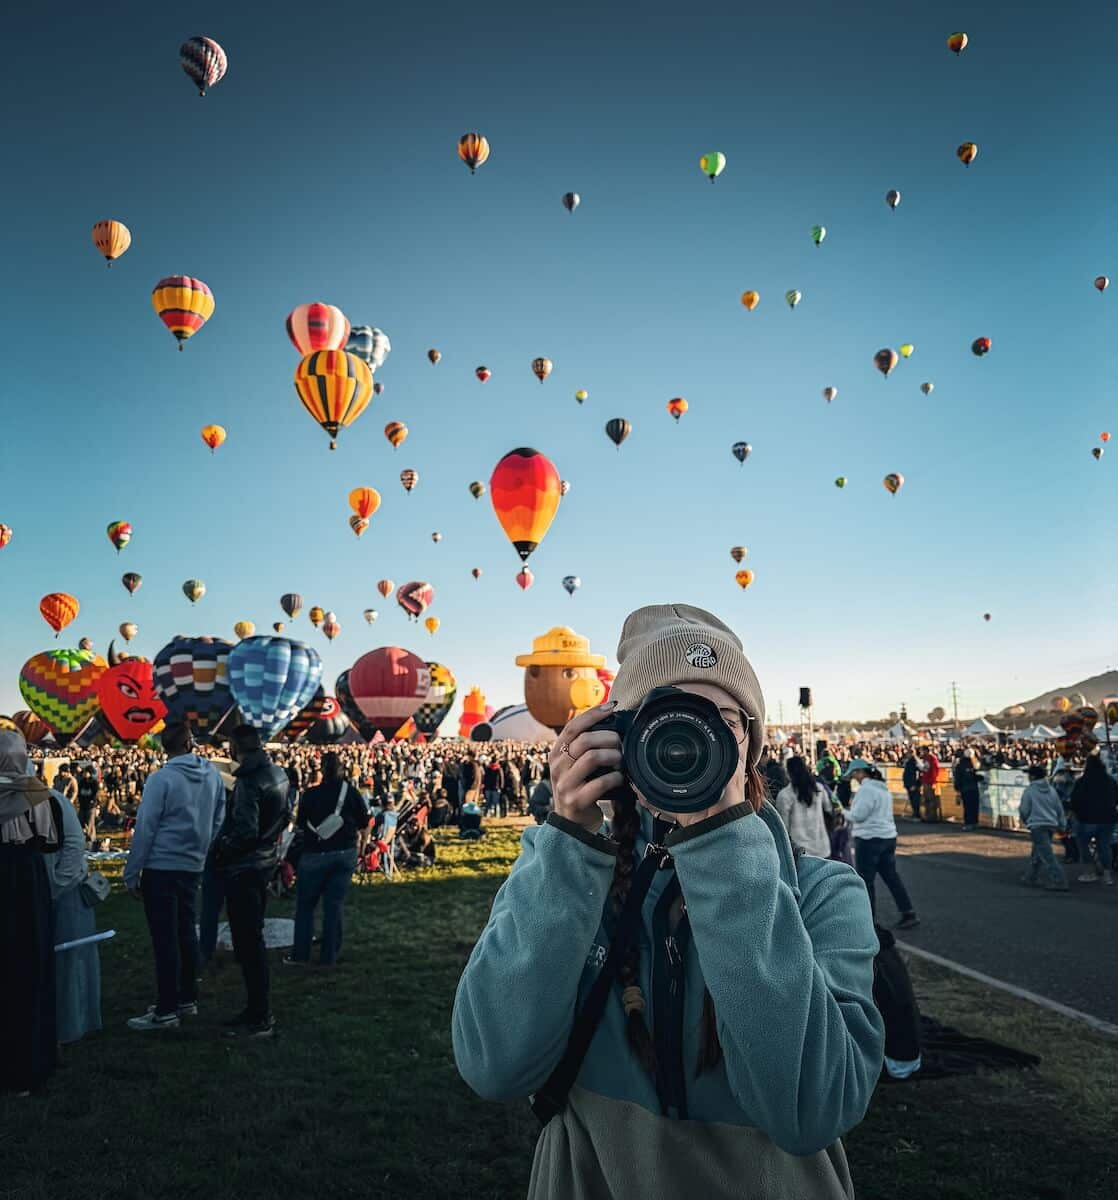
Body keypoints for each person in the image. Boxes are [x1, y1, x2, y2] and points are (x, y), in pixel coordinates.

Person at [453, 604, 883, 1199]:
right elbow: (492, 1064)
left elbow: (812, 1110)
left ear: (750, 748)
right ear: (614, 742)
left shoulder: (824, 895)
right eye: (663, 717)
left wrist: (725, 849)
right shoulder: (574, 882)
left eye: (717, 719)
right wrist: (569, 836)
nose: (685, 740)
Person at [124, 723, 226, 1031]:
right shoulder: (211, 775)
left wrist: (132, 871)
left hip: (162, 865)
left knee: (165, 937)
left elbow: (146, 827)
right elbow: (220, 816)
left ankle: (166, 1009)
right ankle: (186, 999)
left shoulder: (161, 779)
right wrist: (203, 847)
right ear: (190, 743)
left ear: (163, 747)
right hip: (192, 864)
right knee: (186, 932)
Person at [209, 726, 290, 1038]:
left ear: (233, 747)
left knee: (248, 943)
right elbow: (284, 815)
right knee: (252, 939)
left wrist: (219, 850)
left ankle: (259, 1014)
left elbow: (244, 831)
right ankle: (257, 1009)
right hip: (265, 861)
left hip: (245, 867)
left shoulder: (247, 781)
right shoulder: (278, 773)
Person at [0, 730, 63, 1095]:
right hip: (25, 885)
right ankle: (29, 1062)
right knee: (28, 965)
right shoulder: (36, 792)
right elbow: (51, 842)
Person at [285, 752, 368, 967]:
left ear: (321, 769)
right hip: (344, 853)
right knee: (334, 906)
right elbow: (364, 821)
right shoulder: (350, 792)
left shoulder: (310, 795)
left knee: (305, 906)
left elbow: (301, 823)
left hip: (315, 854)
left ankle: (301, 954)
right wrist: (361, 845)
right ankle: (329, 955)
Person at [45, 782, 102, 1044]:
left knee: (71, 963)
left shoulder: (54, 800)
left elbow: (73, 844)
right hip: (34, 896)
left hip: (65, 891)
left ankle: (73, 1024)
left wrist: (54, 885)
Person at [844, 758, 920, 929]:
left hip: (869, 838)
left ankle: (869, 921)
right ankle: (908, 911)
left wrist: (842, 812)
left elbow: (858, 816)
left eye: (854, 774)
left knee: (866, 881)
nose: (854, 777)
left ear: (861, 772)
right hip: (888, 836)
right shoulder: (882, 788)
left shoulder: (866, 790)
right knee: (891, 876)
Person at [1068, 753, 1118, 885]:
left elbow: (1075, 800)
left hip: (1087, 819)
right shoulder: (1110, 781)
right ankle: (1107, 875)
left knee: (1083, 844)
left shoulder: (1082, 781)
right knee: (1105, 846)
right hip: (1108, 818)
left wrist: (1077, 813)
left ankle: (1090, 872)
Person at [1018, 764, 1068, 891]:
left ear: (1033, 776)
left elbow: (1024, 809)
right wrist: (1062, 824)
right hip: (1050, 823)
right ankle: (1031, 876)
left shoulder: (1030, 790)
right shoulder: (1051, 790)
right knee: (1039, 851)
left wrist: (1026, 820)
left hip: (1037, 824)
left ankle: (1059, 880)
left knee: (1046, 854)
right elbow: (1059, 808)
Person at [773, 755, 832, 858]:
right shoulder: (818, 789)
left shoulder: (785, 795)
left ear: (788, 773)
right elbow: (829, 809)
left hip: (801, 853)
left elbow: (783, 827)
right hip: (822, 848)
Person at [952, 749, 982, 831]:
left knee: (968, 807)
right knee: (974, 806)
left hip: (965, 789)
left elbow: (958, 778)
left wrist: (957, 788)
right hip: (973, 788)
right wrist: (979, 778)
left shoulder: (960, 765)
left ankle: (969, 823)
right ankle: (974, 822)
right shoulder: (974, 764)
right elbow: (975, 776)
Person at [76, 765, 100, 843]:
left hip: (90, 806)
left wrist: (94, 802)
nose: (85, 774)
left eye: (86, 772)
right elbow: (79, 793)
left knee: (90, 823)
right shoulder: (82, 782)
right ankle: (85, 837)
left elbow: (96, 794)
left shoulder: (94, 782)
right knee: (81, 821)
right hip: (82, 805)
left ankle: (90, 839)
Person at [919, 748, 941, 822]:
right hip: (926, 781)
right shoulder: (926, 758)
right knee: (926, 800)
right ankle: (927, 816)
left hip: (929, 782)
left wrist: (932, 781)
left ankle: (932, 817)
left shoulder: (931, 759)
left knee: (931, 800)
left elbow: (934, 771)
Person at [901, 752, 921, 820]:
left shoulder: (912, 763)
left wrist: (913, 784)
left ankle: (916, 814)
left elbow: (914, 775)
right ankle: (915, 814)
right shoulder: (910, 762)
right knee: (913, 799)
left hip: (912, 784)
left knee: (915, 800)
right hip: (909, 783)